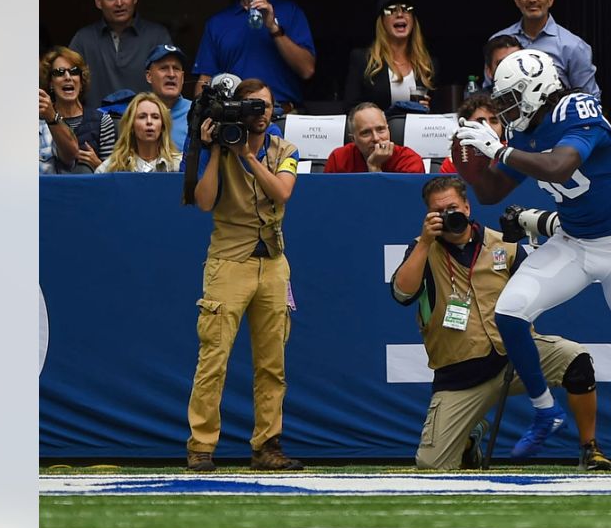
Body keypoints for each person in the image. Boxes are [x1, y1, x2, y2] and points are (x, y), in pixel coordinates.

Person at [453, 48, 611, 477]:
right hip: (575, 241)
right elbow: (491, 194)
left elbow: (562, 166)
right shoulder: (525, 133)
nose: (505, 111)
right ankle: (545, 411)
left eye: (510, 100)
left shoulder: (574, 106)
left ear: (536, 89)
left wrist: (500, 151)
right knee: (509, 312)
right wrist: (472, 167)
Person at [391, 176, 611, 471]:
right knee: (432, 466)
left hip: (515, 359)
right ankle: (470, 437)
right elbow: (402, 294)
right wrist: (425, 242)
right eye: (439, 211)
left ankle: (590, 448)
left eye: (453, 208)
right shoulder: (422, 249)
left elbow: (540, 288)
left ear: (467, 207)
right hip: (460, 375)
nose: (449, 216)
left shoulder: (503, 244)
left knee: (576, 358)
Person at [185, 78, 304, 473]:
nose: (259, 112)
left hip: (273, 261)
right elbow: (203, 203)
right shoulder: (217, 142)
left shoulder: (284, 148)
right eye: (251, 104)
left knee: (273, 362)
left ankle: (267, 445)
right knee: (214, 357)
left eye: (265, 105)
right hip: (228, 261)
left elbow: (282, 193)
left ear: (274, 110)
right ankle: (201, 446)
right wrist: (217, 150)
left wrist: (247, 156)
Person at [194, 0, 316, 112]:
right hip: (235, 115)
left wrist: (273, 28)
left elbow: (307, 70)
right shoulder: (217, 23)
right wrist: (200, 118)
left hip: (282, 114)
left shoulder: (290, 12)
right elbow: (205, 80)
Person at [68, 0, 173, 112]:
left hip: (146, 127)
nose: (119, 3)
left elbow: (170, 89)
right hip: (95, 129)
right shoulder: (83, 39)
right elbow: (65, 85)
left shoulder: (157, 36)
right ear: (99, 1)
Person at [488, 0, 600, 100]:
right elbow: (489, 93)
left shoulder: (573, 46)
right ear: (516, 0)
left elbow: (588, 99)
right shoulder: (499, 42)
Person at [343, 0, 439, 115]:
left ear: (413, 20)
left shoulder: (428, 65)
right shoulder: (363, 60)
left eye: (406, 9)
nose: (400, 14)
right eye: (391, 10)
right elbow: (350, 109)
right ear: (382, 21)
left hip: (415, 132)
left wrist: (427, 110)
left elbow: (438, 113)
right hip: (378, 133)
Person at [39, 46, 115, 173]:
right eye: (59, 72)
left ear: (81, 80)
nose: (68, 77)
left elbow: (113, 178)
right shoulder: (40, 120)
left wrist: (97, 164)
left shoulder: (103, 120)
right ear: (51, 83)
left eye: (74, 71)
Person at [324, 102, 425, 173]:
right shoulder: (338, 159)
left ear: (388, 130)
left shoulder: (409, 160)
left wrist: (375, 168)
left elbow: (404, 201)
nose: (376, 138)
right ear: (353, 140)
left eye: (381, 129)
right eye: (366, 133)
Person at [95, 92, 181, 173]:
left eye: (155, 117)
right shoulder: (112, 167)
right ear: (131, 126)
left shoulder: (179, 166)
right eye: (142, 117)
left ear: (163, 126)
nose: (149, 122)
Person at [144, 44, 193, 152]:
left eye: (176, 69)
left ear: (183, 77)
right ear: (149, 76)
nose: (171, 74)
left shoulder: (196, 112)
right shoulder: (137, 112)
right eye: (164, 68)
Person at [439, 93, 504, 174]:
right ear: (464, 125)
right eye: (480, 121)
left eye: (494, 121)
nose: (488, 127)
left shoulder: (513, 153)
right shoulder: (454, 161)